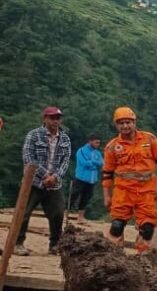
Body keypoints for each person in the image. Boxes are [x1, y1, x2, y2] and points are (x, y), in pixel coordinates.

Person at [102, 107, 157, 254]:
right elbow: (107, 173)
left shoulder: (149, 139)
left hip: (146, 189)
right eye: (121, 123)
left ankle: (143, 256)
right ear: (116, 125)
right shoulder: (112, 146)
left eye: (128, 122)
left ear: (134, 122)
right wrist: (107, 196)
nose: (125, 126)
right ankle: (113, 255)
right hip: (123, 190)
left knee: (148, 227)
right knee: (117, 225)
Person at [15, 107, 72, 256]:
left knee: (58, 213)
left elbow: (65, 162)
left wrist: (55, 177)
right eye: (52, 118)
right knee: (23, 213)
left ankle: (54, 245)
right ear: (44, 119)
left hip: (54, 184)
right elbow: (28, 158)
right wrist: (46, 175)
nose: (55, 121)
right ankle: (18, 243)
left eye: (58, 118)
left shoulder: (65, 139)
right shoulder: (33, 135)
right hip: (33, 182)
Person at [69, 135, 104, 220]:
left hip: (92, 180)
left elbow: (102, 163)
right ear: (90, 141)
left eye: (99, 142)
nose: (98, 144)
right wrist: (95, 164)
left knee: (86, 198)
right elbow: (85, 163)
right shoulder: (82, 150)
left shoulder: (97, 153)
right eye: (96, 142)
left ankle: (80, 216)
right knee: (74, 195)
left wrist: (93, 163)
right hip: (81, 177)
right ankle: (65, 212)